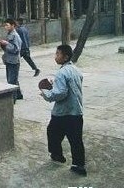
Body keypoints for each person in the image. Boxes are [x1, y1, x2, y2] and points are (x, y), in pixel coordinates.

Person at [40, 44, 87, 176]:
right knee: (76, 140)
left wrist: (46, 93)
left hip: (62, 113)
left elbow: (60, 93)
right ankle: (79, 165)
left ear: (65, 56)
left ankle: (57, 155)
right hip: (76, 111)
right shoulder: (76, 70)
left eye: (58, 54)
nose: (56, 56)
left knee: (52, 132)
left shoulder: (61, 72)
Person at [0, 18, 23, 102]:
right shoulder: (9, 34)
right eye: (5, 25)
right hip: (9, 59)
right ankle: (19, 94)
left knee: (11, 81)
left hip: (14, 61)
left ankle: (13, 99)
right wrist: (2, 44)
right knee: (13, 78)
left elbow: (16, 49)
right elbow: (7, 49)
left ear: (13, 25)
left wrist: (6, 43)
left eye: (7, 25)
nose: (5, 27)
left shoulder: (15, 36)